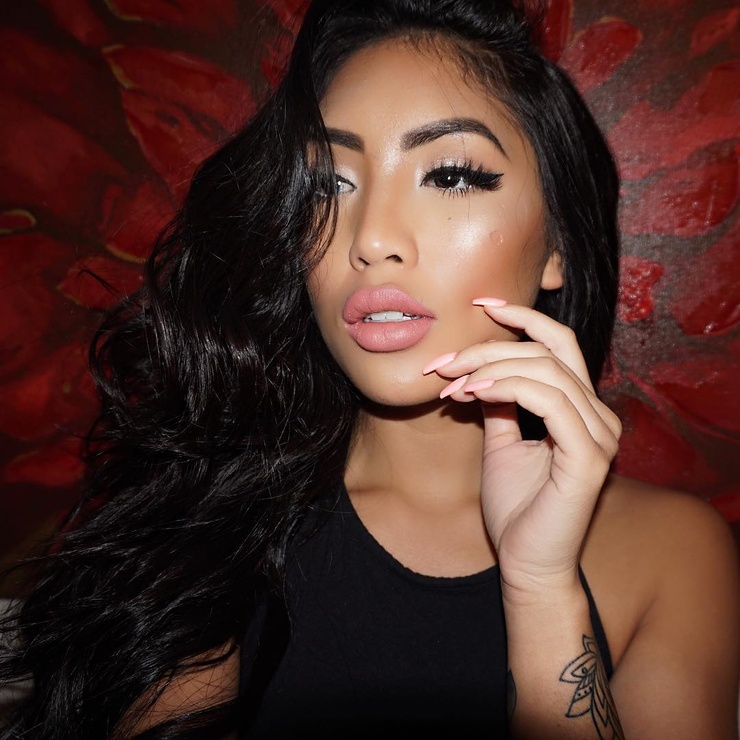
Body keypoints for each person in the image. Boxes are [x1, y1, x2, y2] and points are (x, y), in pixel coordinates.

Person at [1, 0, 738, 737]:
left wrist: (543, 589)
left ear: (557, 247)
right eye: (328, 184)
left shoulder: (675, 554)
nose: (372, 237)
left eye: (450, 175)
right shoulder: (206, 519)